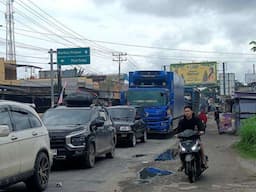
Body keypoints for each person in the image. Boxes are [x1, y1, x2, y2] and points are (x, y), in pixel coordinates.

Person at [173, 105, 207, 171]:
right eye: (185, 111)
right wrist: (177, 134)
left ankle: (203, 161)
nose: (187, 113)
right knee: (179, 149)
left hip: (195, 138)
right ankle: (182, 164)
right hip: (184, 140)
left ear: (191, 111)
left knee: (201, 146)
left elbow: (201, 126)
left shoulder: (196, 119)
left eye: (188, 111)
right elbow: (178, 130)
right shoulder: (182, 121)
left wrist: (202, 131)